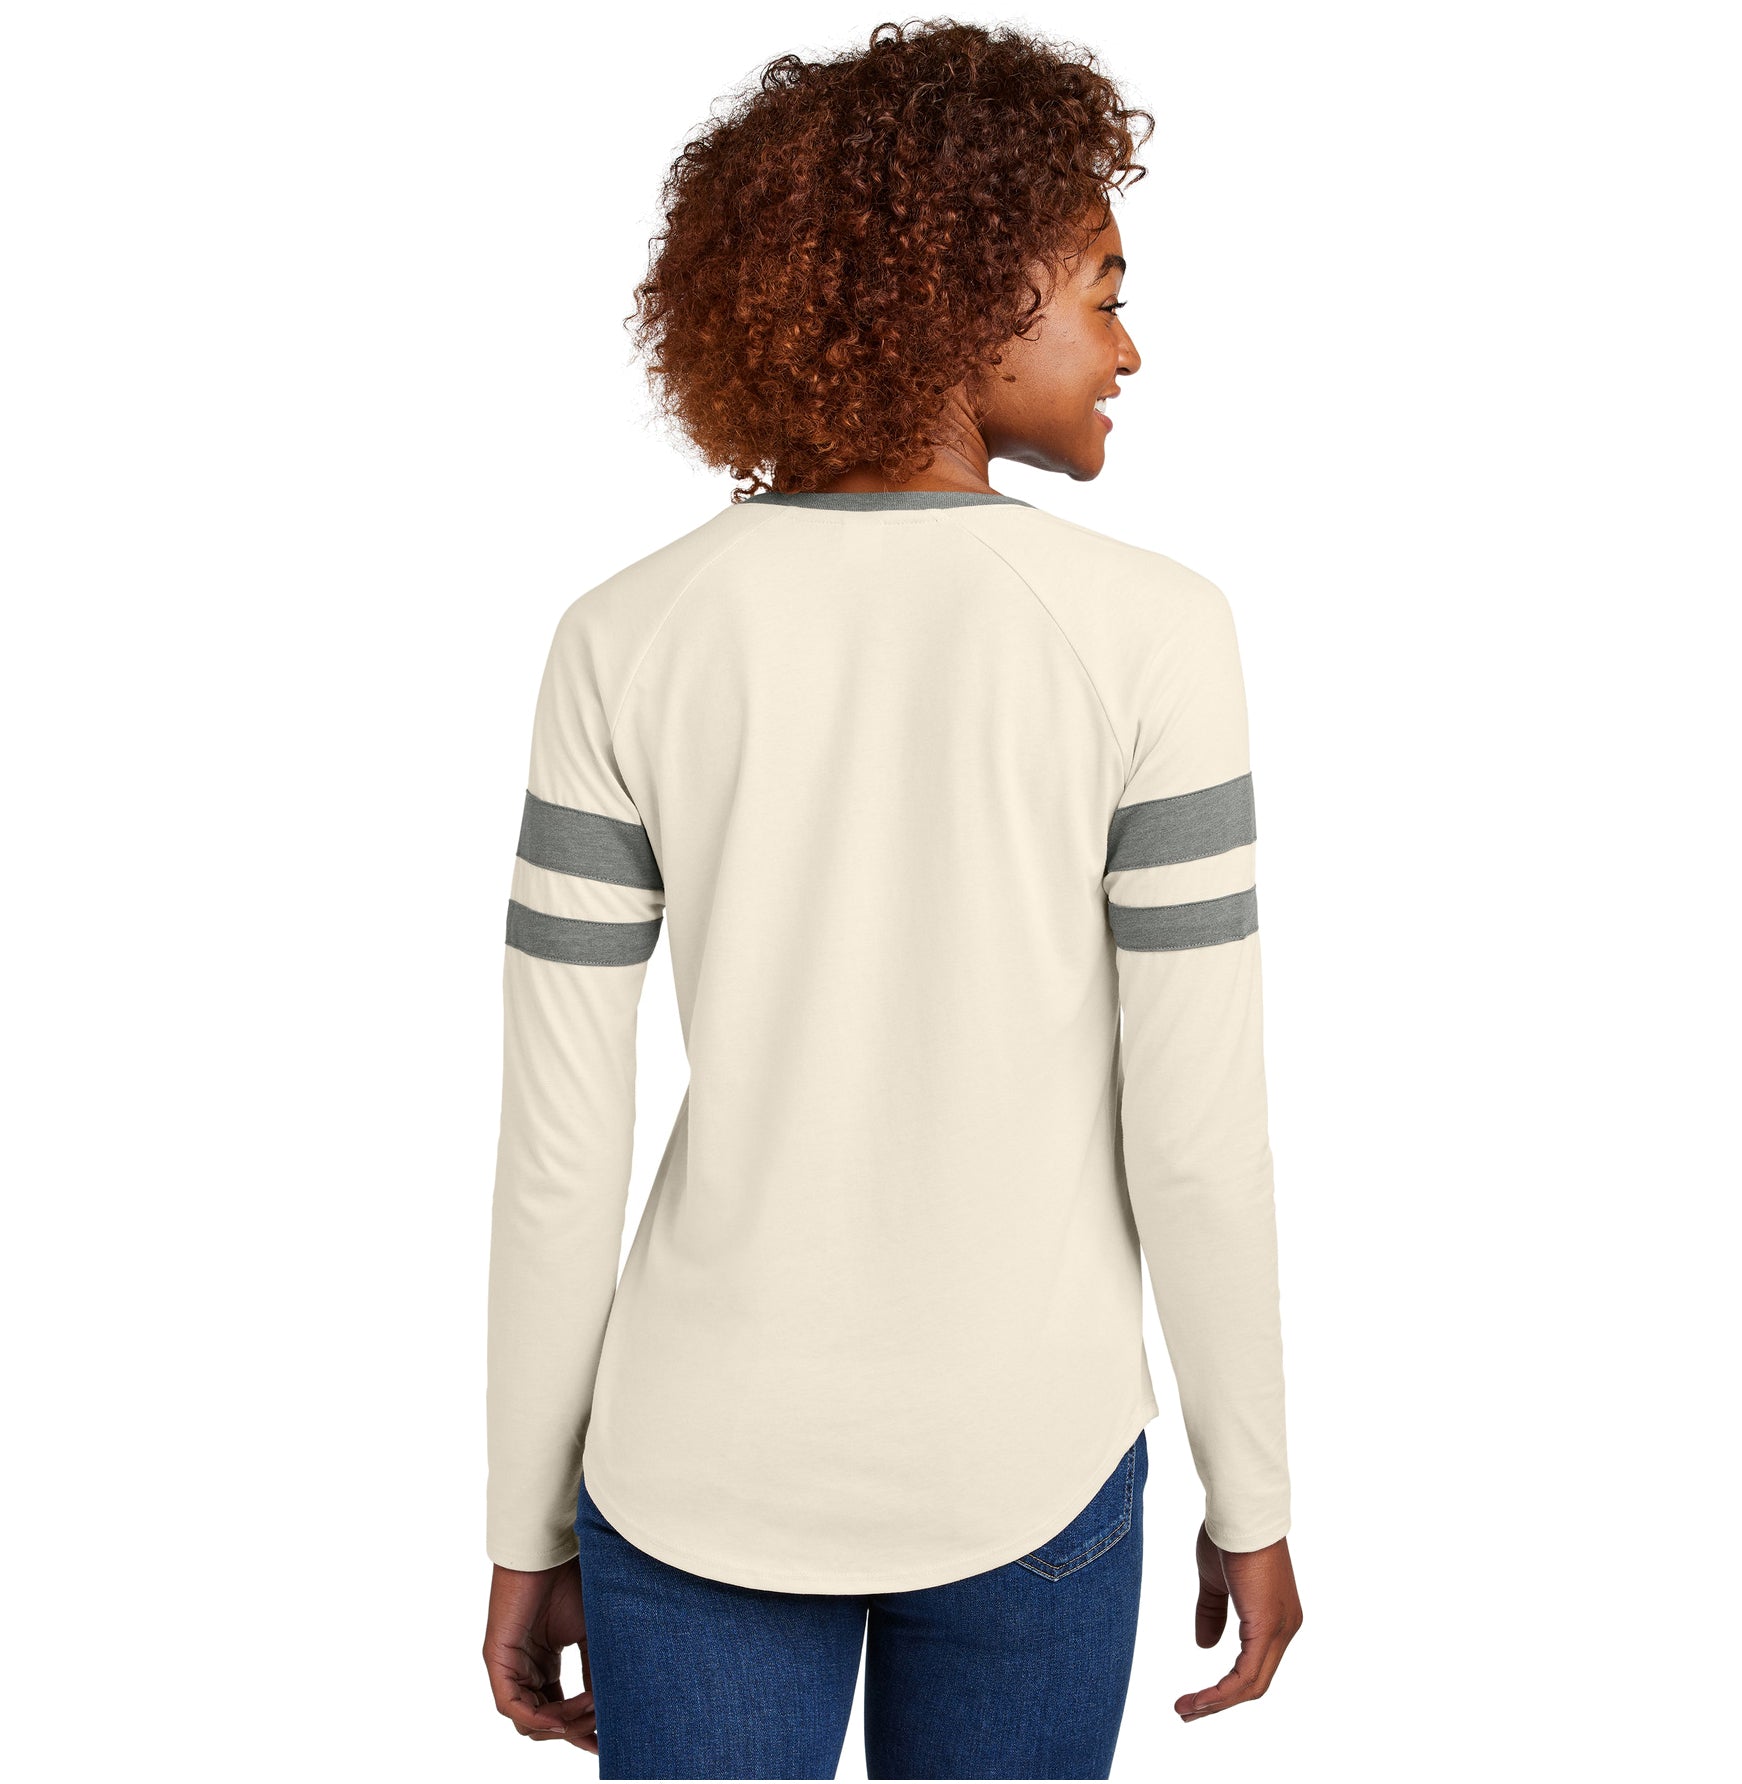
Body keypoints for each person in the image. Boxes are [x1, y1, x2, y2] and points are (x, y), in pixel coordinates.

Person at [480, 18, 1301, 1779]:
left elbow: (560, 1148)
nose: (1129, 347)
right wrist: (1255, 1491)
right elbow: (1197, 1134)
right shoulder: (1157, 637)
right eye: (1104, 292)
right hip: (1033, 1459)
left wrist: (522, 1521)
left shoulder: (623, 640)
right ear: (970, 297)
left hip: (694, 1470)